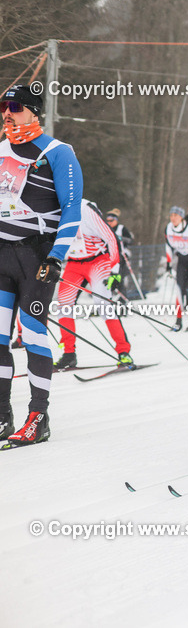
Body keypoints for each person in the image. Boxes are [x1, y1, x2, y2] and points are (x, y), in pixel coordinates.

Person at [0, 85, 83, 445]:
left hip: (37, 257)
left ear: (33, 111)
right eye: (3, 106)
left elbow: (72, 210)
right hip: (3, 256)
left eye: (14, 106)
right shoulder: (1, 150)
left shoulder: (57, 153)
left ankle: (39, 417)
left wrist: (56, 256)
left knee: (32, 332)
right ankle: (3, 417)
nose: (6, 113)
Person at [54, 200, 134, 370]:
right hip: (74, 264)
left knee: (103, 305)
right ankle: (69, 354)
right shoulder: (49, 209)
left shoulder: (84, 209)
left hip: (98, 260)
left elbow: (111, 237)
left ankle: (123, 352)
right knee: (63, 306)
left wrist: (115, 270)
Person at [165, 205, 188, 332]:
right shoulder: (168, 229)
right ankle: (178, 322)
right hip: (182, 261)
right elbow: (168, 247)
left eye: (175, 215)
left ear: (181, 217)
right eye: (171, 215)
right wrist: (169, 264)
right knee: (179, 290)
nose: (173, 218)